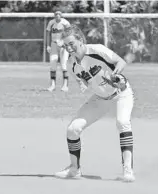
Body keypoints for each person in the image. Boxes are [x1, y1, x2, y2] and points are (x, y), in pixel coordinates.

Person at [54, 25, 135, 182]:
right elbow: (83, 79)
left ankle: (128, 171)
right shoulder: (71, 64)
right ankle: (74, 169)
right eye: (66, 45)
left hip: (121, 93)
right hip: (100, 98)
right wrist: (83, 84)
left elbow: (120, 61)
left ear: (81, 40)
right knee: (72, 129)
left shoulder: (97, 50)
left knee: (122, 122)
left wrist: (115, 76)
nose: (69, 48)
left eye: (71, 43)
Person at [46, 11, 71, 92]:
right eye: (55, 14)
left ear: (61, 15)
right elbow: (48, 34)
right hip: (54, 44)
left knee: (64, 65)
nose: (57, 15)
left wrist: (65, 43)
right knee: (53, 64)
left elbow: (69, 34)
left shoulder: (65, 23)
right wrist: (48, 45)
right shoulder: (51, 22)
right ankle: (52, 85)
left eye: (59, 14)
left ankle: (65, 85)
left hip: (63, 45)